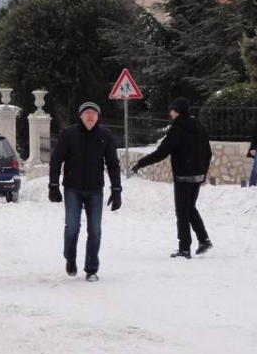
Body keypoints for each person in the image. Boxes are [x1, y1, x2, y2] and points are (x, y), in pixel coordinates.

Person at [48, 101, 122, 282]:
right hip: (72, 188)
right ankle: (70, 258)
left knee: (95, 230)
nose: (90, 116)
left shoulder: (105, 135)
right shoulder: (69, 134)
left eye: (94, 113)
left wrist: (117, 189)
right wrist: (53, 185)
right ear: (80, 115)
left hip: (95, 190)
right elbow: (57, 160)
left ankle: (91, 268)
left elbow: (113, 163)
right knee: (72, 228)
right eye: (87, 113)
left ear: (98, 116)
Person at [133, 98, 212, 259]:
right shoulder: (199, 126)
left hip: (183, 176)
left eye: (172, 109)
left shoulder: (177, 129)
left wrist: (141, 163)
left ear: (178, 111)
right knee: (190, 208)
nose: (170, 112)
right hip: (197, 175)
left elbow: (162, 152)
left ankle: (184, 248)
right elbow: (208, 152)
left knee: (182, 212)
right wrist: (202, 171)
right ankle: (203, 240)